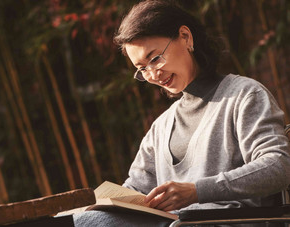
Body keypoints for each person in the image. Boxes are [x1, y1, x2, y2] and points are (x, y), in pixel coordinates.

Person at [73, 0, 290, 226]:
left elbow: (277, 166)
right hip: (172, 223)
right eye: (142, 69)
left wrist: (196, 191)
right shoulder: (161, 127)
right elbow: (136, 190)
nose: (153, 75)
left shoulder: (245, 96)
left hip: (221, 222)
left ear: (185, 37)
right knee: (81, 221)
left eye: (155, 58)